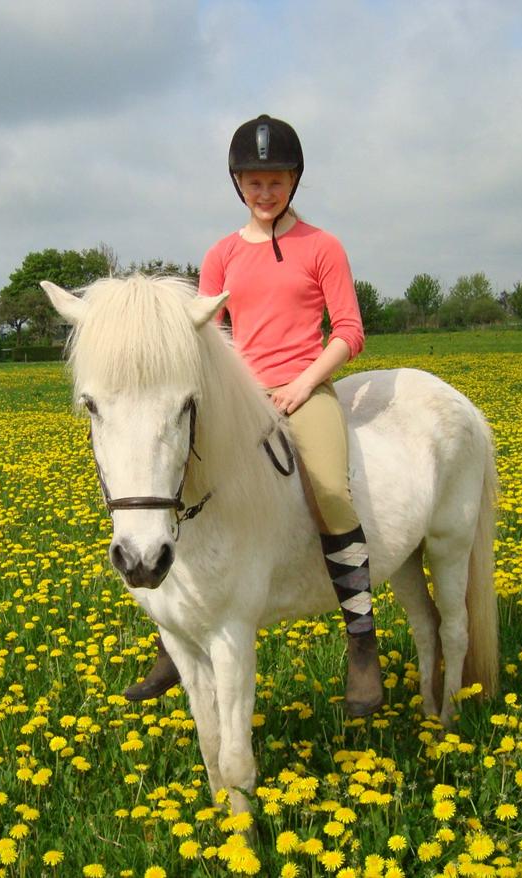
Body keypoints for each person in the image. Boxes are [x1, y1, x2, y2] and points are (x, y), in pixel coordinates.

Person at [123, 114, 385, 717]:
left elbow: (349, 331)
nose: (264, 193)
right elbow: (211, 339)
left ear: (294, 180)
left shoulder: (323, 247)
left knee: (330, 492)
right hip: (239, 398)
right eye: (253, 182)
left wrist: (302, 385)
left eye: (276, 181)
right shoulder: (219, 256)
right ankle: (174, 638)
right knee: (174, 487)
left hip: (304, 389)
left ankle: (362, 639)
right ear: (237, 183)